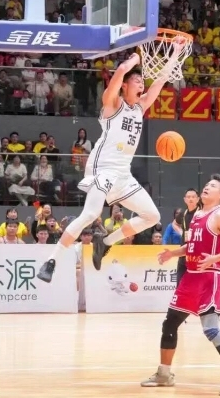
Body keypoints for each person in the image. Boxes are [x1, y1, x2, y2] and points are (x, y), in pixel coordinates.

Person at [37, 44, 184, 282]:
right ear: (124, 85)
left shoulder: (140, 107)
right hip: (102, 169)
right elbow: (120, 73)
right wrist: (133, 60)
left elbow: (160, 81)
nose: (141, 82)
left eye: (141, 80)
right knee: (90, 213)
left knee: (152, 216)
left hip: (123, 175)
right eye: (136, 79)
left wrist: (175, 53)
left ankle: (105, 241)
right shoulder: (112, 104)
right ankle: (51, 261)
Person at [141, 174, 220, 396]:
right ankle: (164, 374)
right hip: (190, 277)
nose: (207, 187)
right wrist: (172, 253)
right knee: (170, 324)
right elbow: (191, 245)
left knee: (211, 329)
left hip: (208, 277)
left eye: (213, 186)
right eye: (207, 184)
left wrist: (214, 258)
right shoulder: (197, 214)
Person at [175, 188, 200, 286]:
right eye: (188, 197)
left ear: (198, 199)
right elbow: (174, 223)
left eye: (193, 197)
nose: (191, 199)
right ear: (184, 199)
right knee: (180, 284)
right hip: (183, 253)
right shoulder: (183, 213)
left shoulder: (202, 213)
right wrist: (181, 232)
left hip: (197, 254)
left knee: (195, 285)